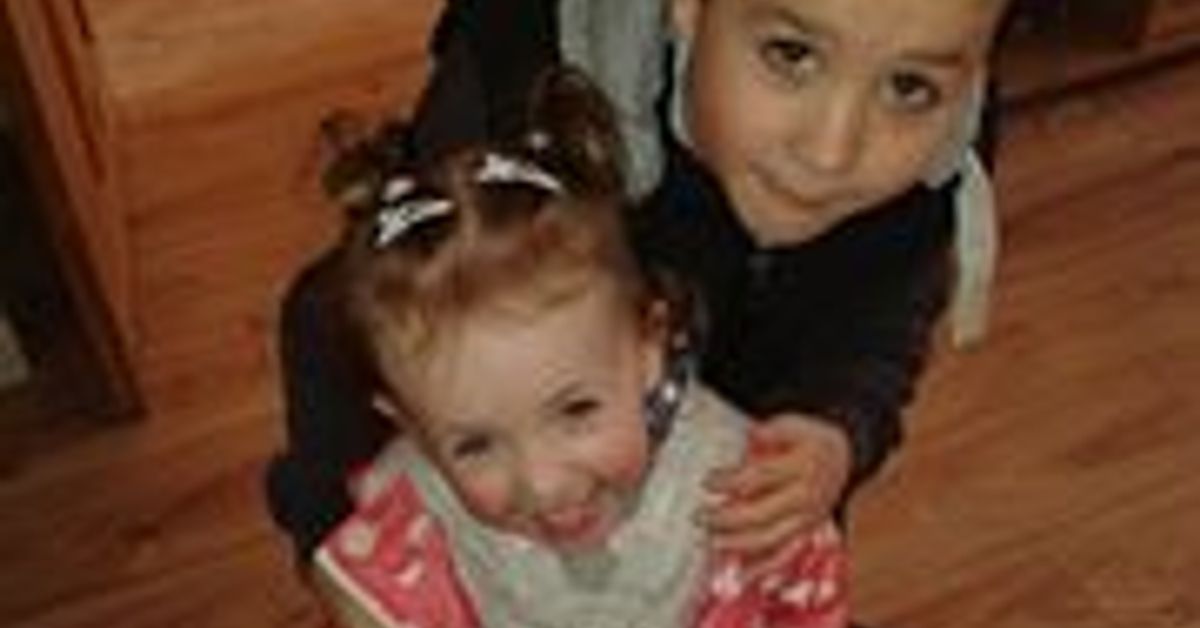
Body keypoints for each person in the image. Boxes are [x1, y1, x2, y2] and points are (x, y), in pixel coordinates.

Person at [267, 0, 1012, 577]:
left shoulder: (936, 150)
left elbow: (880, 321)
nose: (832, 152)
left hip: (715, 492)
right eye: (791, 53)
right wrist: (339, 543)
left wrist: (837, 431)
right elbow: (339, 331)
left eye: (909, 87)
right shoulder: (519, 126)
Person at [308, 70, 848, 627]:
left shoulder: (747, 492)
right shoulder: (417, 520)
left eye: (577, 410)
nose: (544, 485)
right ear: (412, 427)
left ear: (651, 346)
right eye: (474, 445)